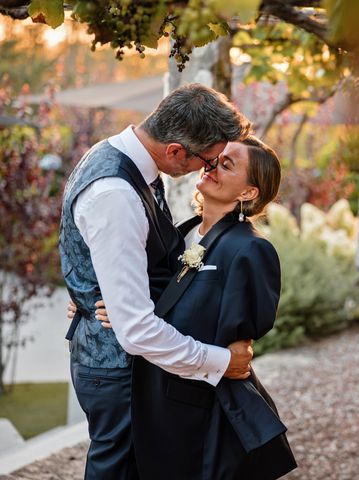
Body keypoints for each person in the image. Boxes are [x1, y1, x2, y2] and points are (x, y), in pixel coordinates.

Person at [59, 83, 254, 479]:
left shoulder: (125, 159)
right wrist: (222, 363)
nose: (208, 170)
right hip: (118, 369)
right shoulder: (116, 193)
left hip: (127, 364)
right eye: (208, 161)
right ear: (176, 151)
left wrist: (95, 289)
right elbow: (135, 331)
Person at [90, 136, 297, 479]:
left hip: (195, 410)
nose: (212, 166)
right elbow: (140, 283)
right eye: (216, 158)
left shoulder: (251, 249)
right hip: (146, 397)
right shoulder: (176, 235)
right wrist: (107, 305)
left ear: (248, 192)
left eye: (228, 164)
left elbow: (241, 331)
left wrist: (138, 317)